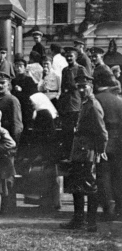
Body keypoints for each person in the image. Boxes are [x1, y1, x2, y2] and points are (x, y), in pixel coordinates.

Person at [60, 73, 108, 232]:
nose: (81, 89)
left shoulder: (93, 105)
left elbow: (102, 132)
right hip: (79, 151)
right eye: (79, 86)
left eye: (84, 86)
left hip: (87, 152)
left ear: (91, 87)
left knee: (89, 187)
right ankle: (78, 220)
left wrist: (100, 151)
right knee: (77, 186)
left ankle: (91, 223)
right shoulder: (85, 103)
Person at [95, 80, 122, 220]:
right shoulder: (119, 101)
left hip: (103, 143)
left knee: (103, 176)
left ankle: (107, 208)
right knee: (118, 177)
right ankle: (119, 208)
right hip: (118, 143)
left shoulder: (97, 99)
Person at [30, 93, 60, 211]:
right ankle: (52, 202)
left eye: (32, 101)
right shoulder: (45, 112)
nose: (31, 104)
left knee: (47, 177)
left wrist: (39, 152)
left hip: (46, 150)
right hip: (49, 149)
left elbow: (42, 135)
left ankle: (49, 203)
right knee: (50, 177)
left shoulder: (42, 113)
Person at [58, 47, 89, 159]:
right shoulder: (64, 70)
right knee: (66, 132)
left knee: (75, 132)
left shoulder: (80, 69)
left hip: (76, 104)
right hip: (66, 106)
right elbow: (62, 88)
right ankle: (67, 155)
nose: (69, 58)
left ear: (75, 57)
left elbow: (85, 88)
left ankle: (75, 156)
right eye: (67, 56)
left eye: (71, 56)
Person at [0, 72, 23, 145]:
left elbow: (17, 124)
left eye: (3, 83)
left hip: (7, 141)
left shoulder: (12, 100)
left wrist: (14, 142)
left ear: (8, 85)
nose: (0, 85)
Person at [11, 53, 38, 132]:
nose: (18, 68)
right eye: (17, 66)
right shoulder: (13, 80)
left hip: (26, 107)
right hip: (16, 106)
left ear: (25, 68)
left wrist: (21, 91)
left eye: (21, 66)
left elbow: (33, 94)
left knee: (25, 126)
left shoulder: (29, 80)